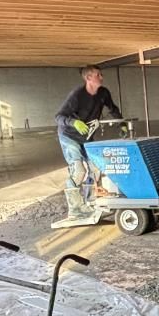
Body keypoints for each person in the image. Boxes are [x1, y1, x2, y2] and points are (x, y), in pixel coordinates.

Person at [55, 65, 123, 219]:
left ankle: (90, 200)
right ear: (88, 78)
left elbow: (113, 109)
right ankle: (75, 209)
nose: (102, 77)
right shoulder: (77, 95)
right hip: (69, 136)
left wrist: (122, 124)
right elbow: (58, 117)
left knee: (97, 168)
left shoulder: (103, 93)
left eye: (101, 74)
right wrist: (74, 122)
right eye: (98, 75)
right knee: (79, 172)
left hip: (86, 136)